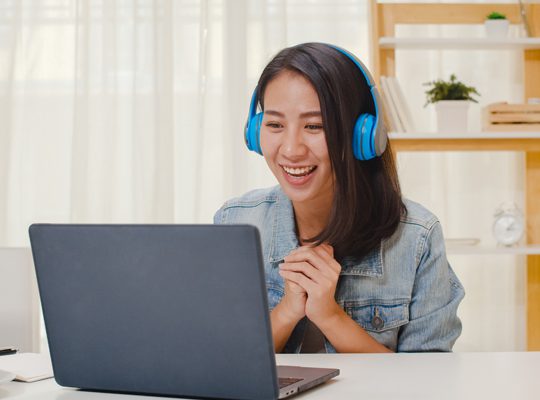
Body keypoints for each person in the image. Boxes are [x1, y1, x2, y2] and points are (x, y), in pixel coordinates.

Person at [214, 42, 464, 353]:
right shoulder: (235, 221)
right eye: (275, 124)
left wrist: (331, 317)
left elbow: (428, 381)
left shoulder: (417, 237)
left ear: (364, 135)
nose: (291, 149)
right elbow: (225, 363)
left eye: (315, 126)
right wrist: (288, 311)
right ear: (254, 132)